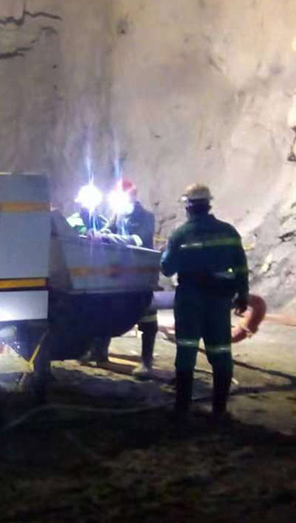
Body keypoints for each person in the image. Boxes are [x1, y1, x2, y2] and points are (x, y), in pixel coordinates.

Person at [161, 184, 249, 421]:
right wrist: (242, 295)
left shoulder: (180, 234)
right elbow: (241, 267)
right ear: (208, 204)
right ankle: (219, 411)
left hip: (190, 299)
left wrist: (166, 253)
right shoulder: (229, 232)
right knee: (220, 351)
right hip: (220, 300)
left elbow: (167, 268)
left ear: (188, 207)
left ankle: (182, 409)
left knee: (186, 349)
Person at [87, 179, 159, 378]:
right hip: (117, 273)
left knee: (147, 317)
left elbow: (138, 240)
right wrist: (98, 234)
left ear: (133, 197)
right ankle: (98, 352)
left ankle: (146, 362)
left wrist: (108, 238)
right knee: (106, 309)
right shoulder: (118, 214)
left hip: (141, 274)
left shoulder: (146, 217)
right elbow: (108, 230)